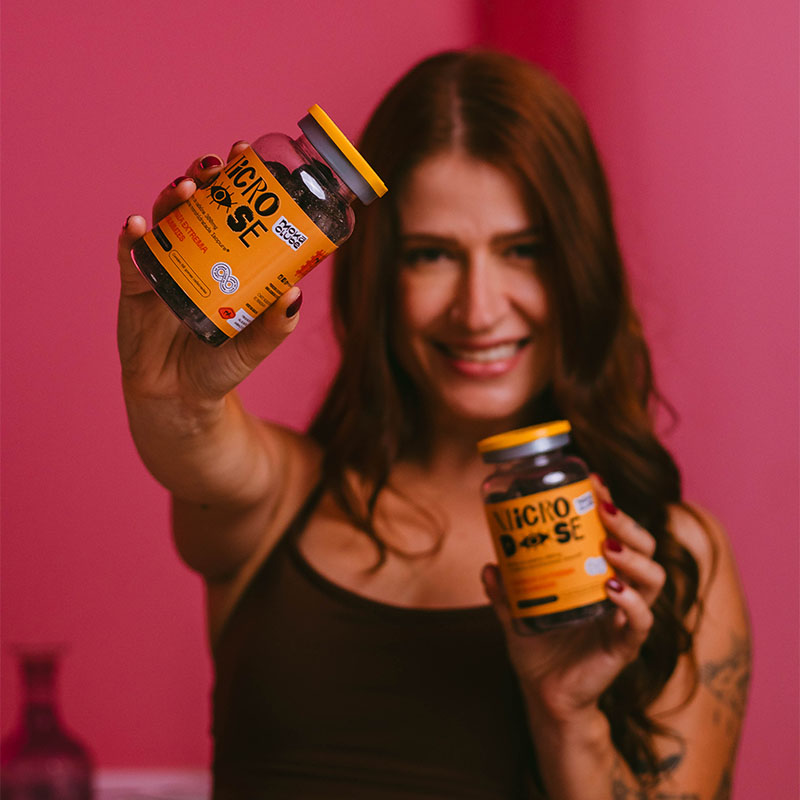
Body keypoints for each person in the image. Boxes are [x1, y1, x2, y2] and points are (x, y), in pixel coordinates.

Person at [116, 49, 750, 799]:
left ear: (581, 267)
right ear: (379, 275)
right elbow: (187, 434)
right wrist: (169, 391)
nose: (478, 310)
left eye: (523, 251)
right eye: (431, 255)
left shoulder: (669, 560)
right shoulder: (277, 498)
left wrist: (565, 715)